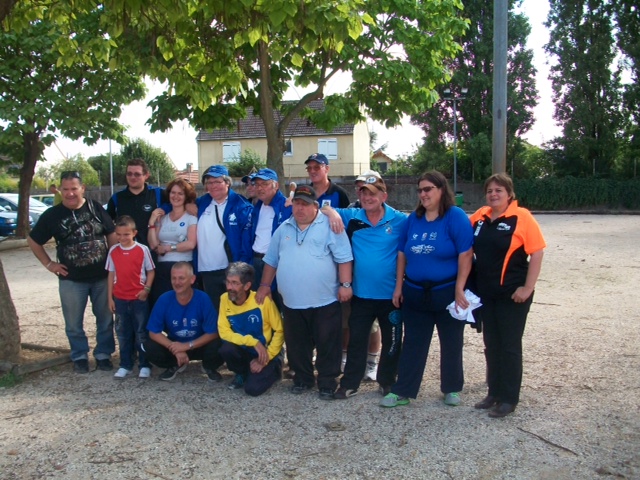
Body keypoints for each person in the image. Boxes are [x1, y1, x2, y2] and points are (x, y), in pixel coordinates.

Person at [381, 171, 473, 408]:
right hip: (415, 292)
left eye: (428, 189)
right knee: (413, 342)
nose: (423, 194)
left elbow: (466, 255)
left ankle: (451, 388)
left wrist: (460, 289)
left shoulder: (455, 217)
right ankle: (403, 391)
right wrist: (398, 287)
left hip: (446, 291)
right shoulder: (414, 219)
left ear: (441, 189)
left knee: (451, 341)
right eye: (420, 190)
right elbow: (402, 253)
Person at [256, 185, 353, 400]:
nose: (300, 208)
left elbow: (344, 258)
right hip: (291, 301)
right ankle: (303, 378)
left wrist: (346, 285)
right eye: (297, 203)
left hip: (325, 300)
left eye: (305, 204)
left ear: (315, 206)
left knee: (328, 343)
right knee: (297, 343)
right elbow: (271, 261)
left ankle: (327, 381)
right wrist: (264, 286)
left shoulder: (330, 225)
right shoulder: (283, 228)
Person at [322, 176, 408, 399]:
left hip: (391, 295)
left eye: (373, 193)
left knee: (392, 341)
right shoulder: (352, 216)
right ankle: (350, 383)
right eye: (363, 193)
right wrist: (331, 212)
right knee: (357, 340)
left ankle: (387, 380)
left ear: (384, 196)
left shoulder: (399, 220)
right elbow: (320, 207)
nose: (368, 197)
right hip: (361, 295)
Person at [469, 173, 546, 418]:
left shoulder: (521, 217)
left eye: (499, 190)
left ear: (509, 194)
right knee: (491, 344)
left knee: (509, 346)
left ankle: (509, 398)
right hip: (487, 294)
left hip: (513, 295)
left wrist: (528, 288)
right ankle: (493, 392)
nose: (493, 194)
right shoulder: (480, 216)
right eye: (490, 190)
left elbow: (537, 252)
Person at [27, 171, 116, 373]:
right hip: (71, 279)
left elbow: (110, 233)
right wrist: (50, 264)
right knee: (73, 322)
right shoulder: (52, 215)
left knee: (104, 319)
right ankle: (79, 356)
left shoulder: (95, 208)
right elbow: (33, 240)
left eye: (74, 188)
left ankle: (103, 354)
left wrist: (114, 263)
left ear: (82, 188)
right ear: (60, 190)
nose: (69, 193)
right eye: (65, 189)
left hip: (101, 276)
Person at [143, 262, 224, 382]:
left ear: (192, 279)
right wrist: (175, 348)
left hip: (198, 344)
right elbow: (153, 332)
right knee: (148, 345)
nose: (177, 282)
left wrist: (187, 346)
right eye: (173, 278)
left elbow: (213, 332)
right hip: (175, 343)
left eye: (181, 278)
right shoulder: (164, 299)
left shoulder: (203, 298)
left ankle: (209, 366)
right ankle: (175, 364)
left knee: (221, 342)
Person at [218, 262, 284, 396]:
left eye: (235, 283)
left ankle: (275, 367)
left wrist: (267, 357)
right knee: (226, 349)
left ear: (247, 285)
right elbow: (224, 332)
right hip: (246, 349)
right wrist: (252, 342)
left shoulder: (262, 301)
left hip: (265, 352)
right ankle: (242, 373)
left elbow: (279, 330)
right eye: (228, 282)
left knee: (252, 389)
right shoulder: (224, 299)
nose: (229, 287)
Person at [195, 165, 253, 312]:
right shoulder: (202, 203)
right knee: (214, 312)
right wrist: (163, 209)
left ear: (227, 183)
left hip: (230, 271)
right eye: (209, 182)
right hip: (207, 270)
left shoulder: (241, 205)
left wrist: (241, 269)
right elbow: (177, 203)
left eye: (217, 182)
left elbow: (246, 241)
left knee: (236, 311)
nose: (213, 186)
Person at [105, 215, 155, 379]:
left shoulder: (142, 249)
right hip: (120, 298)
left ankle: (144, 363)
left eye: (126, 234)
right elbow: (111, 274)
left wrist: (146, 289)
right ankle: (125, 364)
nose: (122, 238)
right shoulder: (113, 251)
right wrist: (110, 298)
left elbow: (151, 271)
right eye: (119, 234)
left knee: (141, 332)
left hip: (138, 299)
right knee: (123, 333)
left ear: (134, 233)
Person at [147, 178, 197, 304]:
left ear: (186, 197)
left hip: (183, 267)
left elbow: (191, 243)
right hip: (163, 268)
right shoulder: (163, 218)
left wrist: (169, 248)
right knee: (162, 304)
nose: (176, 196)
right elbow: (153, 244)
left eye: (180, 193)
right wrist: (151, 223)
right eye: (173, 193)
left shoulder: (191, 218)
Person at [249, 168, 292, 303]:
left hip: (276, 264)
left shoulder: (287, 206)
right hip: (256, 261)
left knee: (278, 305)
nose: (260, 188)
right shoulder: (257, 207)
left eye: (265, 184)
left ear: (276, 185)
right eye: (257, 184)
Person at [106, 158, 167, 249]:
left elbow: (178, 204)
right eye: (129, 174)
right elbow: (108, 226)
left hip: (153, 251)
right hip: (126, 252)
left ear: (146, 175)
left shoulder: (158, 194)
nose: (132, 177)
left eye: (137, 174)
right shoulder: (117, 198)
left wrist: (164, 209)